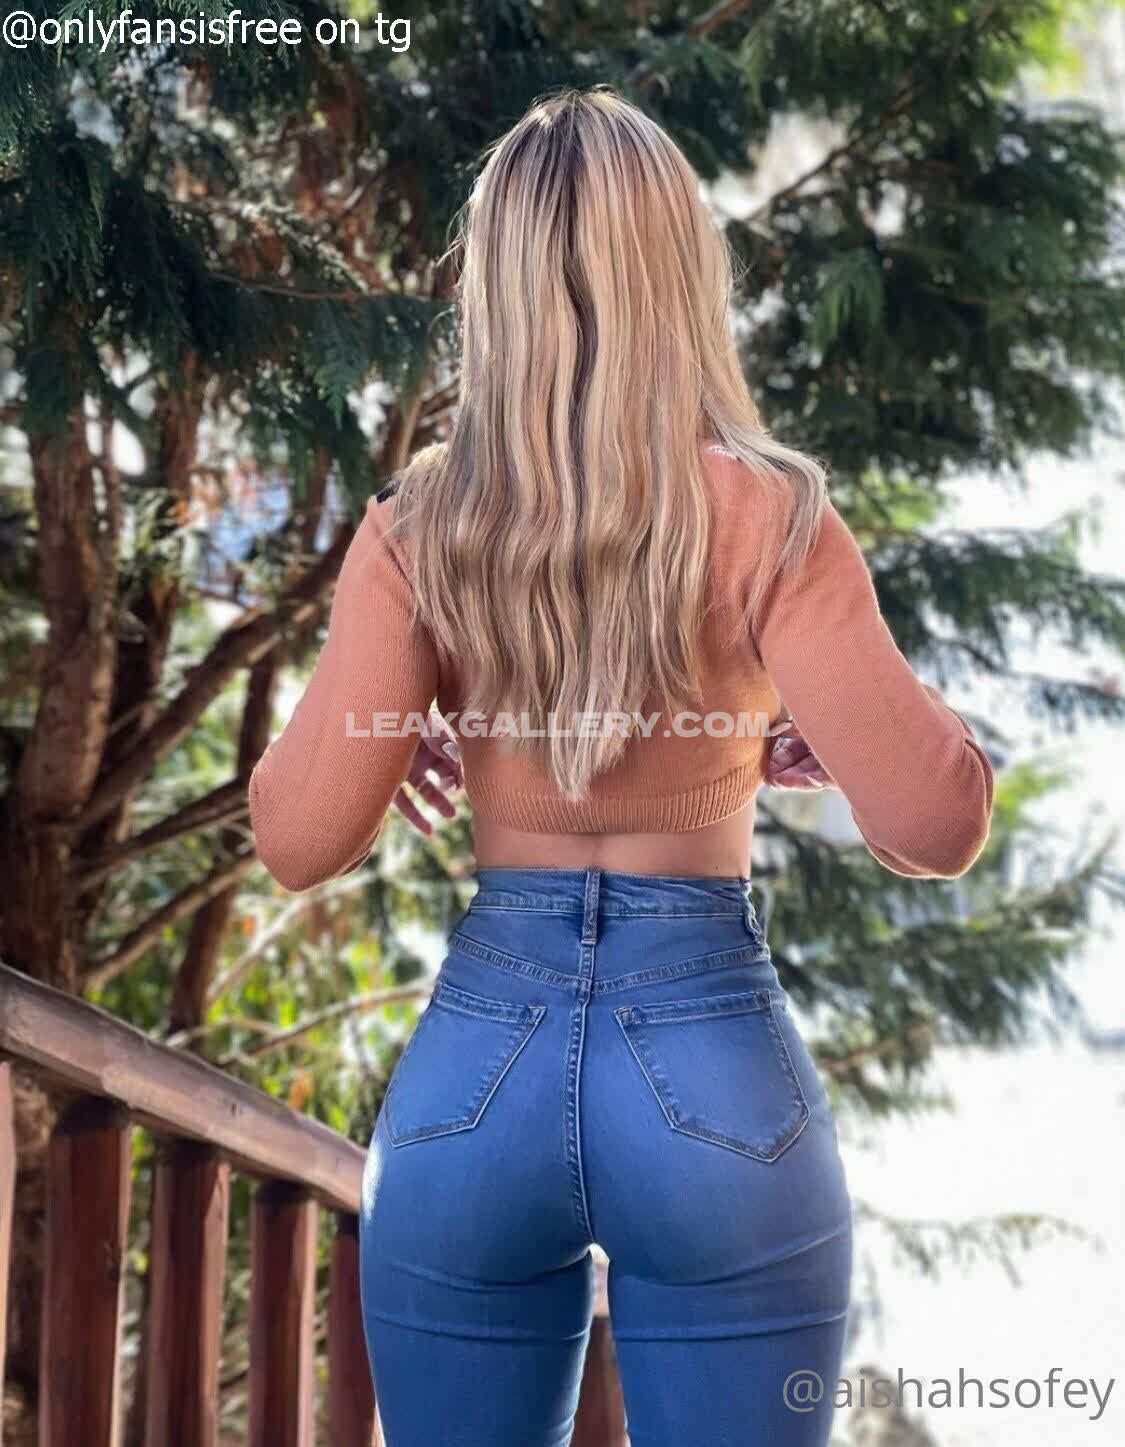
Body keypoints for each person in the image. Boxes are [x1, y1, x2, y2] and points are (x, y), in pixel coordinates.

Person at [248, 86, 993, 1447]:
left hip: (477, 1077)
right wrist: (833, 722)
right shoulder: (772, 513)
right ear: (680, 274)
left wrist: (391, 725)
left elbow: (297, 838)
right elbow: (937, 822)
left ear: (496, 285)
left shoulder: (421, 523)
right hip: (712, 1071)